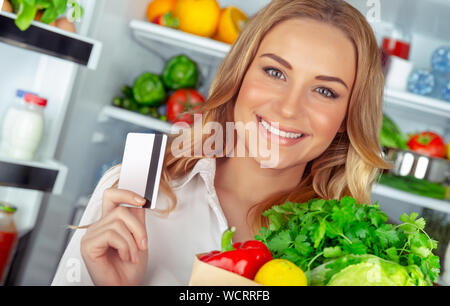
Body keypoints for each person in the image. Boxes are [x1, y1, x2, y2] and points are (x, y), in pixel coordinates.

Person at [52, 0, 390, 286]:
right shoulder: (135, 190)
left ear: (348, 117)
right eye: (275, 72)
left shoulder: (349, 254)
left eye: (325, 91)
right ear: (240, 74)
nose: (289, 107)